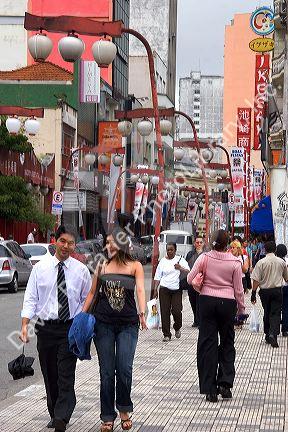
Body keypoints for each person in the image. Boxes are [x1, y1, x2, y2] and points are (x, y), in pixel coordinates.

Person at [20, 225, 92, 432]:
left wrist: (83, 323)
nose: (66, 246)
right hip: (45, 328)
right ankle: (55, 412)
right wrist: (25, 325)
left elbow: (86, 298)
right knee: (50, 373)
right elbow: (31, 298)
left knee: (65, 373)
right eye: (63, 241)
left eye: (70, 243)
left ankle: (62, 416)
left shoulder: (80, 271)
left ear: (74, 245)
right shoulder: (40, 269)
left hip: (69, 328)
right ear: (55, 241)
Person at [82, 227, 146, 432]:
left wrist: (142, 313)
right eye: (107, 243)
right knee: (107, 372)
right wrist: (82, 316)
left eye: (113, 242)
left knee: (125, 368)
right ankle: (107, 416)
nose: (109, 246)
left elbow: (141, 290)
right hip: (103, 324)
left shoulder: (135, 265)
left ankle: (124, 409)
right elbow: (92, 293)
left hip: (128, 324)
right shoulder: (101, 265)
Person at [187, 230, 245, 402]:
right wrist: (241, 310)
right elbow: (239, 290)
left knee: (207, 344)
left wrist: (202, 283)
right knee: (227, 342)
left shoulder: (204, 258)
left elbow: (190, 278)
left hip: (207, 302)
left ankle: (210, 389)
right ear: (227, 244)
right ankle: (225, 384)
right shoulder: (235, 262)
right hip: (227, 304)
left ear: (212, 242)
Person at [251, 240, 288, 348]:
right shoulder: (281, 262)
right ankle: (273, 334)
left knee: (267, 311)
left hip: (265, 292)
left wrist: (253, 293)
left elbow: (256, 280)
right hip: (277, 290)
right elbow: (286, 278)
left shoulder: (261, 262)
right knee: (275, 313)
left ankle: (267, 333)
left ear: (265, 250)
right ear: (275, 249)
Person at [154, 243, 190, 342]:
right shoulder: (162, 261)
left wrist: (180, 268)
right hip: (164, 289)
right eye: (168, 250)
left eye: (171, 250)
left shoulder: (180, 260)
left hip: (176, 289)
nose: (169, 252)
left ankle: (177, 326)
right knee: (165, 312)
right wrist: (155, 289)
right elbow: (157, 276)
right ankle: (166, 334)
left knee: (176, 311)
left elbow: (189, 271)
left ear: (175, 250)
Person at [186, 236, 206, 327]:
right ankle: (195, 318)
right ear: (194, 243)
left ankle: (199, 320)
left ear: (203, 243)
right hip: (191, 281)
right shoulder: (190, 254)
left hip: (201, 282)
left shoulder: (206, 254)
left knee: (200, 302)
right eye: (197, 242)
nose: (199, 244)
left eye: (200, 242)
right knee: (192, 301)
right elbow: (187, 266)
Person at [275, 244, 288, 337]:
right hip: (286, 287)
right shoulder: (287, 261)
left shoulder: (274, 261)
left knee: (276, 309)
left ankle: (275, 330)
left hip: (276, 287)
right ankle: (285, 329)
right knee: (286, 308)